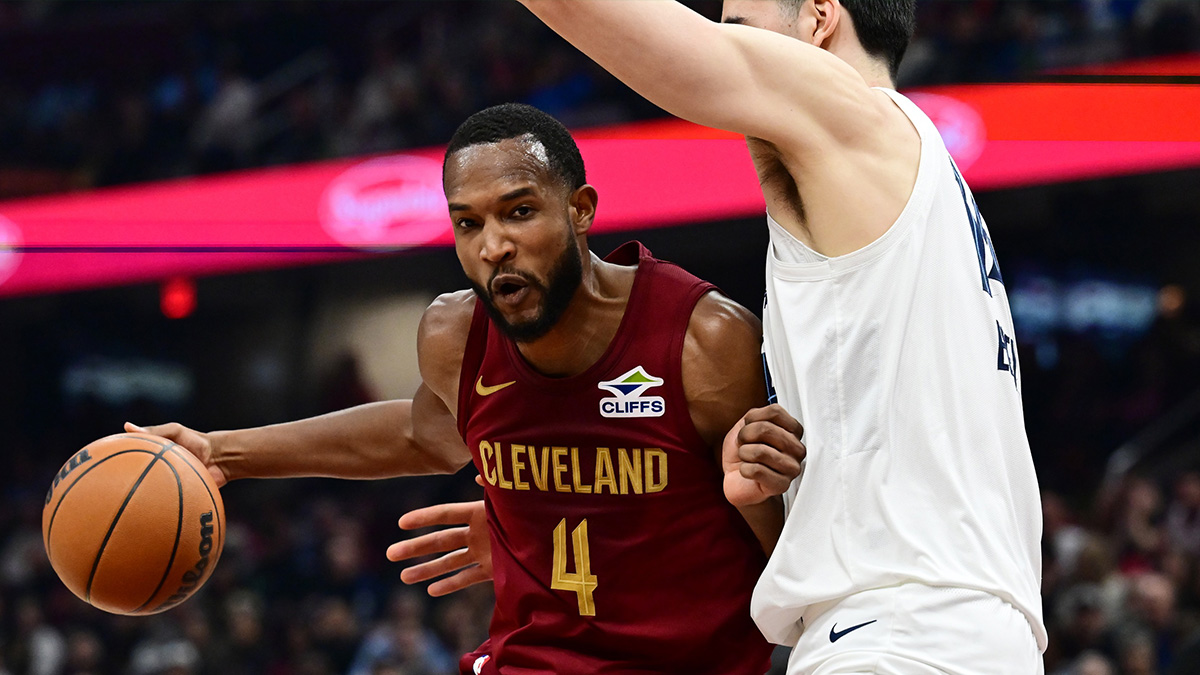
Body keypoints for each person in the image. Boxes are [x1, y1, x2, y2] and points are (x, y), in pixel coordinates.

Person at [129, 102, 805, 674]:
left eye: (518, 212)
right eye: (469, 222)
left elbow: (790, 552)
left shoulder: (703, 338)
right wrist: (222, 453)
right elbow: (421, 432)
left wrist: (733, 496)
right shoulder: (456, 332)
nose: (493, 246)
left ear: (580, 210)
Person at [486, 1, 1046, 673]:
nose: (722, 42)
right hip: (955, 630)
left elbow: (658, 48)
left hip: (901, 635)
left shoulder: (854, 113)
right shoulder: (902, 189)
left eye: (739, 27)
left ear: (818, 18)